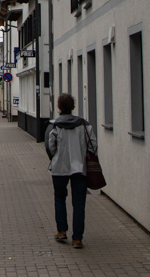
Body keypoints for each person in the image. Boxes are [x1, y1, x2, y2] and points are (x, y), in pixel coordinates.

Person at [45, 93, 97, 249]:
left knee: (60, 198)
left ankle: (61, 231)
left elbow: (50, 147)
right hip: (80, 168)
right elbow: (93, 146)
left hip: (59, 168)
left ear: (59, 107)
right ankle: (77, 239)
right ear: (73, 107)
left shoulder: (54, 126)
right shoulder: (84, 125)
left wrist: (57, 158)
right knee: (79, 203)